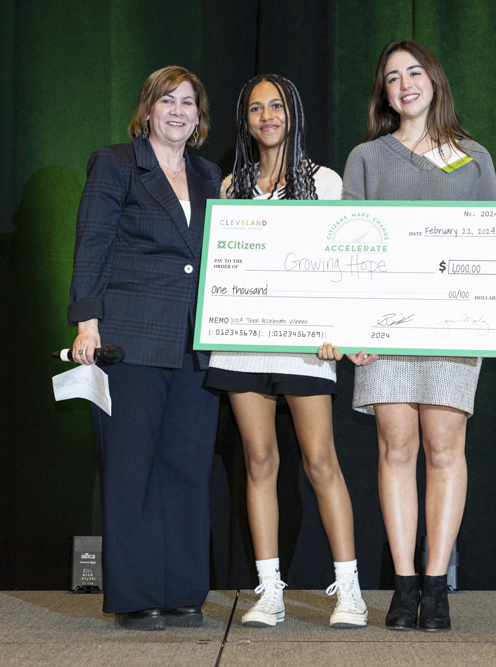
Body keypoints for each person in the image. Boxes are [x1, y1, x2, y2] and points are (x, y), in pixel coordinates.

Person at [328, 40, 496, 632]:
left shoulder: (472, 156)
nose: (405, 83)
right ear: (383, 93)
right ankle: (403, 585)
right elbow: (345, 247)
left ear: (434, 80)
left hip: (451, 328)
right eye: (392, 77)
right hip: (384, 333)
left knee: (445, 450)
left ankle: (436, 587)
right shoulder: (366, 157)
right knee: (396, 449)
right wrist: (351, 328)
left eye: (414, 72)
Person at [204, 74, 368, 629]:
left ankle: (349, 591)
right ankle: (268, 590)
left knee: (321, 462)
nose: (266, 116)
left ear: (292, 114)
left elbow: (343, 266)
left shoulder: (324, 182)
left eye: (276, 106)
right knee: (258, 461)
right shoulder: (230, 188)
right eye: (255, 108)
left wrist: (339, 329)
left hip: (306, 346)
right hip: (244, 346)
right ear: (245, 120)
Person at [67, 66, 221, 631]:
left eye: (188, 102)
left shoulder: (210, 175)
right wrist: (87, 322)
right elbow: (92, 243)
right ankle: (134, 596)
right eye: (167, 101)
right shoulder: (115, 163)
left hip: (195, 343)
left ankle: (182, 592)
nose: (178, 111)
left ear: (199, 115)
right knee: (131, 468)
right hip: (129, 338)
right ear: (148, 109)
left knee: (186, 468)